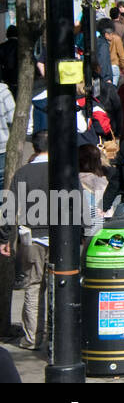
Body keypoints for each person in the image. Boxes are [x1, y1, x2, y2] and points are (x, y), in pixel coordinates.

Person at [0, 131, 50, 349]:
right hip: (61, 237)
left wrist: (4, 238)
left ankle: (32, 338)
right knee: (60, 286)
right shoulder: (65, 171)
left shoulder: (23, 173)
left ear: (35, 148)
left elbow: (9, 209)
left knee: (33, 287)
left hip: (32, 237)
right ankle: (57, 337)